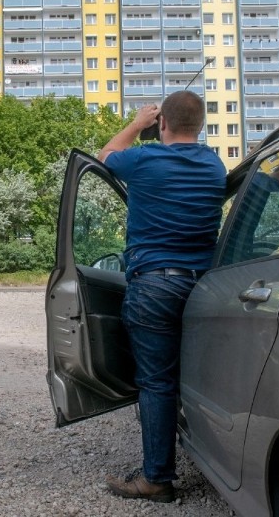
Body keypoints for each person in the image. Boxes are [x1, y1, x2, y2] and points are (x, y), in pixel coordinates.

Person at [98, 91, 226, 503]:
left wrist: (137, 123)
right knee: (197, 374)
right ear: (202, 126)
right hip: (205, 287)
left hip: (154, 285)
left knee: (156, 382)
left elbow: (106, 156)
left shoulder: (145, 159)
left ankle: (157, 478)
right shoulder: (213, 164)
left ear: (162, 124)